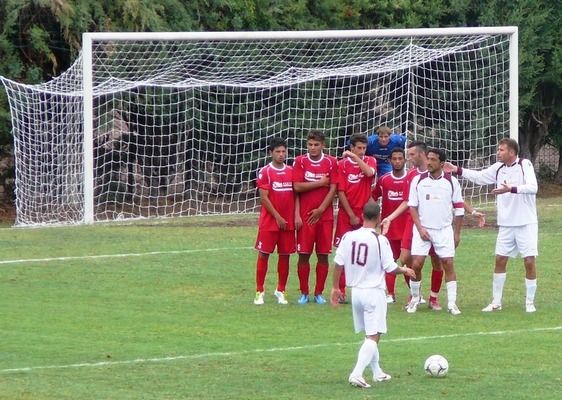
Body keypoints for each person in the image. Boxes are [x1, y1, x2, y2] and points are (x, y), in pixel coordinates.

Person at [444, 137, 538, 313]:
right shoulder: (498, 168)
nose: (498, 153)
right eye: (498, 150)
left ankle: (530, 302)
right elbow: (479, 177)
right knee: (500, 259)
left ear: (511, 152)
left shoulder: (525, 165)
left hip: (526, 222)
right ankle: (496, 302)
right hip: (506, 224)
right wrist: (457, 169)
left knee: (529, 261)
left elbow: (533, 187)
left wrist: (511, 188)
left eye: (501, 150)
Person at [330, 200, 416, 388]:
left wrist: (335, 287)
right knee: (374, 335)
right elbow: (390, 268)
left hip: (356, 293)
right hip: (373, 293)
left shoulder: (348, 236)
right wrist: (405, 270)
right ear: (378, 218)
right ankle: (357, 373)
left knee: (370, 333)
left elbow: (338, 264)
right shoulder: (379, 239)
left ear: (362, 216)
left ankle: (377, 372)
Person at [381, 141, 445, 309]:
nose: (408, 159)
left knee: (436, 260)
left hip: (434, 222)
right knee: (407, 258)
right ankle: (415, 295)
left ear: (421, 155)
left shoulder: (441, 174)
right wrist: (390, 217)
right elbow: (407, 201)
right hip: (413, 222)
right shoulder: (411, 175)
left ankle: (433, 298)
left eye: (411, 155)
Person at [406, 148, 465, 315]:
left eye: (432, 160)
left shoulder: (452, 182)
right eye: (428, 159)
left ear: (441, 163)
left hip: (444, 230)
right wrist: (420, 228)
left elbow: (459, 209)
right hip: (422, 229)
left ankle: (452, 304)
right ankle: (415, 298)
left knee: (448, 263)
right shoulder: (418, 180)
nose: (429, 162)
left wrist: (457, 233)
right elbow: (412, 207)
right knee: (416, 264)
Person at [293, 129, 338, 304]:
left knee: (323, 255)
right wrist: (319, 183)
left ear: (323, 145)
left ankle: (319, 292)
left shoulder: (331, 162)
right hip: (305, 217)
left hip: (324, 216)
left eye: (316, 145)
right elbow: (297, 187)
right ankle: (304, 292)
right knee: (303, 254)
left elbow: (333, 188)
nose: (313, 148)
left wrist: (320, 209)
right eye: (310, 145)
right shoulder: (300, 161)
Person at [333, 133, 377, 303]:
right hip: (347, 214)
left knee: (366, 251)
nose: (361, 151)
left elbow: (368, 173)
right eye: (358, 148)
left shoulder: (370, 161)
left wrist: (355, 157)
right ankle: (341, 290)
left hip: (365, 214)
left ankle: (364, 289)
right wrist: (350, 214)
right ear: (351, 147)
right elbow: (341, 191)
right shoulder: (342, 165)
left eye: (364, 148)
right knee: (343, 252)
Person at [253, 137, 297, 305]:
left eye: (283, 151)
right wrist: (277, 217)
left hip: (287, 223)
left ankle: (281, 290)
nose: (281, 154)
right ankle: (259, 291)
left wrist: (293, 216)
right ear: (271, 153)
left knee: (285, 256)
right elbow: (264, 198)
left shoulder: (291, 171)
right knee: (264, 254)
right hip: (270, 222)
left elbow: (296, 195)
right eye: (277, 151)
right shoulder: (265, 172)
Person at [371, 147, 409, 303]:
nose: (398, 161)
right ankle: (390, 294)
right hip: (389, 229)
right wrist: (377, 216)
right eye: (394, 159)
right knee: (389, 261)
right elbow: (372, 197)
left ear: (405, 160)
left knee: (408, 261)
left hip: (407, 227)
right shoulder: (384, 180)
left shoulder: (411, 179)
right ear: (389, 161)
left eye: (400, 158)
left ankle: (415, 293)